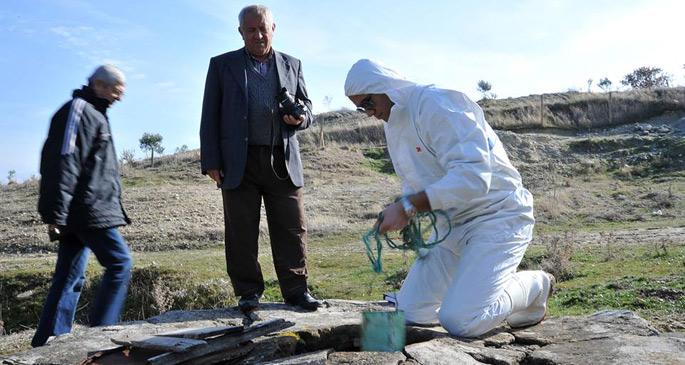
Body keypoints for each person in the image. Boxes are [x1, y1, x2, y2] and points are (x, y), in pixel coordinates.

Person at [344, 59, 554, 337]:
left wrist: (408, 207)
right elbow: (414, 180)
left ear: (385, 87)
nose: (369, 113)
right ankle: (474, 291)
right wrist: (404, 211)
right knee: (408, 314)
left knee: (460, 321)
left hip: (497, 218)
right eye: (361, 108)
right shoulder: (393, 123)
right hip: (450, 226)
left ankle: (536, 285)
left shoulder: (436, 103)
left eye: (368, 103)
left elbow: (474, 177)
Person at [200, 5, 320, 311]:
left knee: (292, 227)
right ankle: (248, 293)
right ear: (241, 32)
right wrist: (211, 161)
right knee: (241, 230)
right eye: (251, 30)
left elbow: (306, 106)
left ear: (273, 28)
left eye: (263, 28)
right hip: (238, 161)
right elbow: (209, 114)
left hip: (282, 159)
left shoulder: (293, 64)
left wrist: (301, 117)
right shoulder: (221, 65)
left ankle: (296, 290)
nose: (258, 35)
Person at [32, 65, 132, 347]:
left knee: (69, 275)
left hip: (83, 211)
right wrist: (56, 213)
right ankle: (101, 335)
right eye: (116, 91)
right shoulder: (79, 111)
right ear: (98, 84)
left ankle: (48, 341)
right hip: (85, 211)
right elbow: (63, 162)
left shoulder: (95, 113)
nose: (119, 98)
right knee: (120, 263)